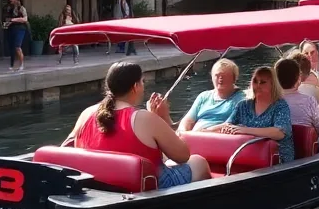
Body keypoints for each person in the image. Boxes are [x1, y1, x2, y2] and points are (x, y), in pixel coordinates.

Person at [66, 61, 211, 188]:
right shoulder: (144, 118)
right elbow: (183, 155)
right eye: (142, 82)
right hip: (142, 186)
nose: (143, 86)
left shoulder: (86, 113)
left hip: (98, 183)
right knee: (198, 162)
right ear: (135, 86)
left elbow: (66, 147)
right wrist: (162, 118)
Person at [208, 65, 294, 162]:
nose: (257, 86)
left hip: (277, 160)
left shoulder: (280, 106)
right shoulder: (243, 105)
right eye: (255, 81)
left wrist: (245, 130)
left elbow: (279, 133)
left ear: (272, 85)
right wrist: (206, 131)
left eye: (262, 82)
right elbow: (228, 125)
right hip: (247, 156)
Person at [276, 57, 319, 153]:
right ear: (298, 79)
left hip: (278, 151)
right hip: (304, 152)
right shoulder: (308, 101)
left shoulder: (269, 101)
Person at [177, 59, 242, 133]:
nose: (220, 78)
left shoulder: (240, 99)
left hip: (219, 138)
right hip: (195, 136)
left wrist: (205, 131)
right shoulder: (204, 96)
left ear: (234, 78)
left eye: (224, 75)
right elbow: (188, 120)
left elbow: (231, 124)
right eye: (217, 75)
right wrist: (183, 132)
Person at [5, 0, 28, 72]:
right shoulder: (10, 9)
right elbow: (9, 19)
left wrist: (14, 20)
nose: (10, 0)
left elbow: (25, 19)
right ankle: (12, 64)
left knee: (17, 46)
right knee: (12, 47)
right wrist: (8, 23)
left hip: (20, 28)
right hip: (12, 29)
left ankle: (21, 64)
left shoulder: (21, 8)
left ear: (16, 0)